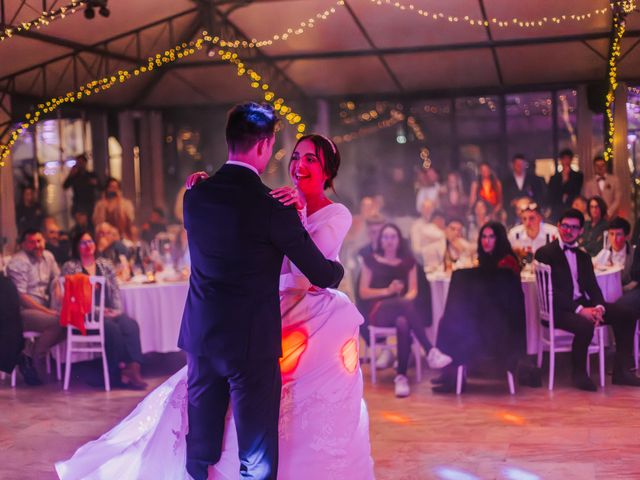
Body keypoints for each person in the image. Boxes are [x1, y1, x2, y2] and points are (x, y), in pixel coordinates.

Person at [56, 125, 373, 480]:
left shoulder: (334, 213)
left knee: (285, 408)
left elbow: (309, 265)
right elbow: (243, 231)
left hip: (301, 312)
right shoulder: (272, 203)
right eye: (296, 157)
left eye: (310, 159)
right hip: (258, 310)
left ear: (328, 171)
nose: (299, 165)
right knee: (216, 413)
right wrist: (211, 191)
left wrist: (296, 215)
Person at [534, 209, 640, 391]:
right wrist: (580, 310)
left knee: (626, 315)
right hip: (558, 310)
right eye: (565, 226)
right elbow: (553, 293)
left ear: (581, 231)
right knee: (585, 325)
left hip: (582, 305)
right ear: (558, 226)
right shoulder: (545, 253)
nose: (569, 231)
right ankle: (579, 374)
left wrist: (599, 307)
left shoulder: (583, 256)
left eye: (574, 227)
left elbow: (592, 286)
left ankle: (622, 372)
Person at [432, 222, 531, 392]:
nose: (486, 241)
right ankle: (451, 375)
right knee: (450, 320)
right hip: (488, 319)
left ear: (498, 239)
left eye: (491, 237)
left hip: (503, 327)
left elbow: (503, 301)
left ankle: (452, 376)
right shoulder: (488, 259)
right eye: (484, 237)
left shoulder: (507, 262)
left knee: (454, 322)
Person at [359, 223, 450, 398]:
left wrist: (401, 300)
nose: (389, 241)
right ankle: (430, 350)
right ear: (380, 240)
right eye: (386, 237)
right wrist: (388, 291)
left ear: (399, 240)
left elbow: (413, 291)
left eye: (393, 237)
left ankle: (401, 377)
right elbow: (363, 292)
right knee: (405, 308)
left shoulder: (408, 262)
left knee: (403, 322)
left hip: (400, 309)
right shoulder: (371, 261)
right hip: (378, 310)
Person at [61, 231, 147, 390]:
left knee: (130, 325)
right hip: (85, 318)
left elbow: (114, 290)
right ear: (76, 246)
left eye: (90, 241)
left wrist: (116, 310)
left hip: (109, 313)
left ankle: (133, 369)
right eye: (83, 242)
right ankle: (116, 374)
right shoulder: (70, 267)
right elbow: (76, 299)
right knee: (112, 329)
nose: (88, 245)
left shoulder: (105, 264)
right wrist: (101, 312)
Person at [6, 229, 65, 385]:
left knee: (71, 323)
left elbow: (56, 278)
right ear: (23, 244)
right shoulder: (18, 261)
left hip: (44, 308)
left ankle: (28, 355)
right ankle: (35, 360)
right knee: (58, 321)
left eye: (39, 241)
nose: (37, 245)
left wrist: (57, 287)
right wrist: (48, 311)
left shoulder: (49, 257)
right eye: (32, 242)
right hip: (23, 312)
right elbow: (21, 297)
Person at [593, 217, 640, 312]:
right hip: (604, 292)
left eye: (618, 234)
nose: (614, 239)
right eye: (611, 234)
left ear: (627, 236)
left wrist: (619, 290)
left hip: (627, 292)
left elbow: (635, 281)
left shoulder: (634, 253)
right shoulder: (603, 252)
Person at [501, 154, 547, 225]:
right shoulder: (506, 181)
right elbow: (504, 198)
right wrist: (513, 202)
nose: (520, 166)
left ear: (525, 164)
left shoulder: (534, 179)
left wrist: (529, 202)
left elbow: (539, 196)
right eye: (517, 164)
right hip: (512, 214)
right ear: (513, 165)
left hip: (531, 212)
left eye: (522, 164)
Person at [410, 199, 446, 271]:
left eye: (430, 208)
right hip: (423, 261)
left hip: (439, 261)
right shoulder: (416, 226)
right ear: (421, 210)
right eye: (425, 208)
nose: (428, 210)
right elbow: (416, 249)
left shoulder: (437, 223)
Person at [548, 148, 584, 221]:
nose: (566, 161)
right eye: (564, 159)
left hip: (571, 206)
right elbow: (552, 193)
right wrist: (564, 179)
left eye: (568, 159)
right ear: (561, 160)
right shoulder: (554, 177)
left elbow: (577, 191)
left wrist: (567, 178)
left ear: (571, 160)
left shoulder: (578, 176)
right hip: (557, 209)